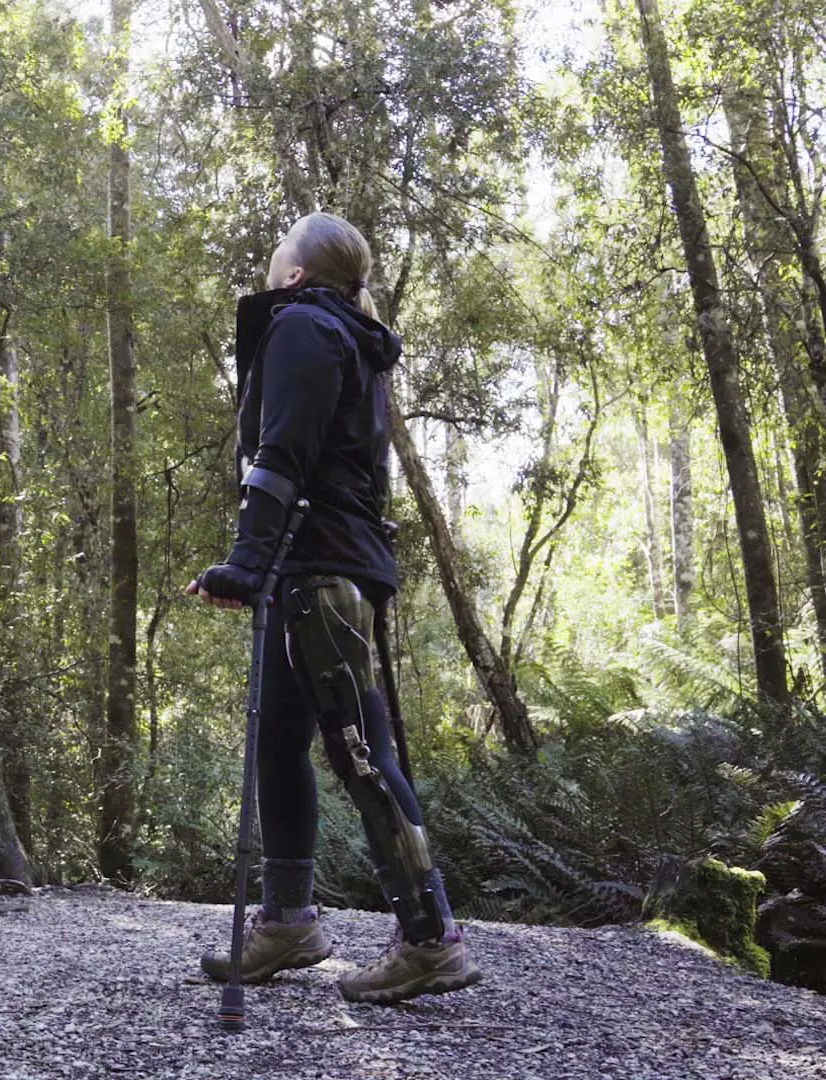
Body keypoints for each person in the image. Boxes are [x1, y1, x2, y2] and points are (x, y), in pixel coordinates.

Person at [186, 212, 482, 1005]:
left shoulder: (306, 327)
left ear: (297, 271)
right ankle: (289, 922)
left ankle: (430, 938)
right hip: (312, 565)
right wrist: (260, 566)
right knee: (280, 739)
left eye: (278, 243)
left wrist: (247, 563)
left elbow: (283, 455)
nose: (271, 250)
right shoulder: (333, 330)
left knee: (357, 748)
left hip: (322, 570)